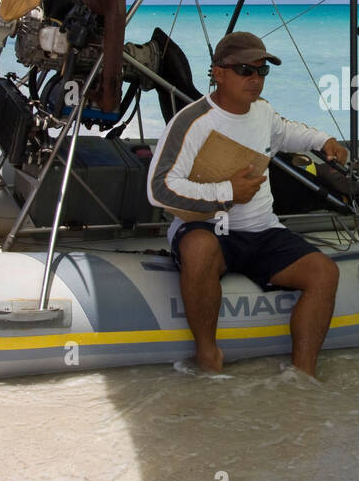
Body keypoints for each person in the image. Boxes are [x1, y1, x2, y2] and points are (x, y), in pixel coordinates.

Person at [148, 32, 348, 377]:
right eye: (245, 70)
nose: (255, 80)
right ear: (218, 73)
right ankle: (208, 357)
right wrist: (226, 193)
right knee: (197, 247)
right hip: (206, 226)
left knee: (324, 273)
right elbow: (159, 189)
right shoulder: (191, 122)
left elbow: (286, 132)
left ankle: (303, 377)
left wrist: (324, 139)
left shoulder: (263, 113)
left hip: (260, 229)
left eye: (261, 71)